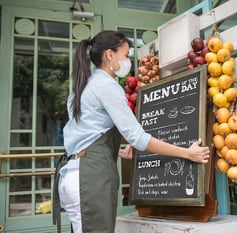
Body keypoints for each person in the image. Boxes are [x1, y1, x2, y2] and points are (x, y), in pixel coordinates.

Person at [52, 30, 210, 233]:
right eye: (125, 55)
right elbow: (138, 138)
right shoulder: (107, 86)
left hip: (72, 175)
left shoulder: (81, 88)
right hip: (90, 179)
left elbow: (85, 136)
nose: (127, 61)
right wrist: (187, 153)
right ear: (110, 54)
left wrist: (117, 150)